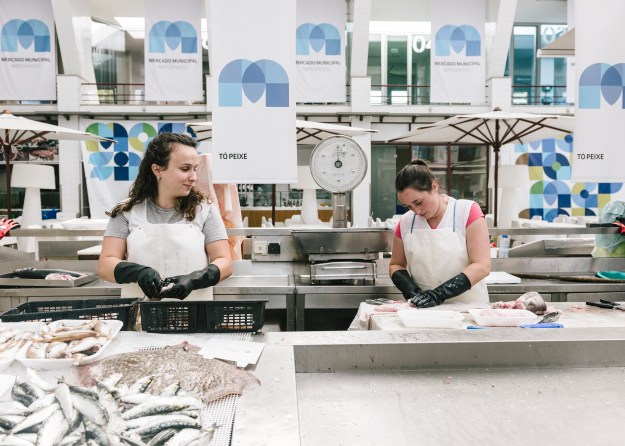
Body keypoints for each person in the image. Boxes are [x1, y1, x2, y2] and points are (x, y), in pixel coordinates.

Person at [98, 132, 232, 301]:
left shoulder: (204, 209)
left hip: (194, 315)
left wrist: (195, 279)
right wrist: (138, 272)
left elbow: (224, 261)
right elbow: (105, 265)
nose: (194, 177)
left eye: (195, 169)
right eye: (185, 169)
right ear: (157, 169)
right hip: (142, 316)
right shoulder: (126, 211)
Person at [389, 160, 490, 307]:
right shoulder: (405, 222)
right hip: (424, 310)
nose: (416, 211)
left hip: (469, 309)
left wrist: (439, 294)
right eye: (408, 206)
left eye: (418, 202)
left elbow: (482, 265)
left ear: (434, 186)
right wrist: (411, 291)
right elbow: (396, 264)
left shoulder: (467, 211)